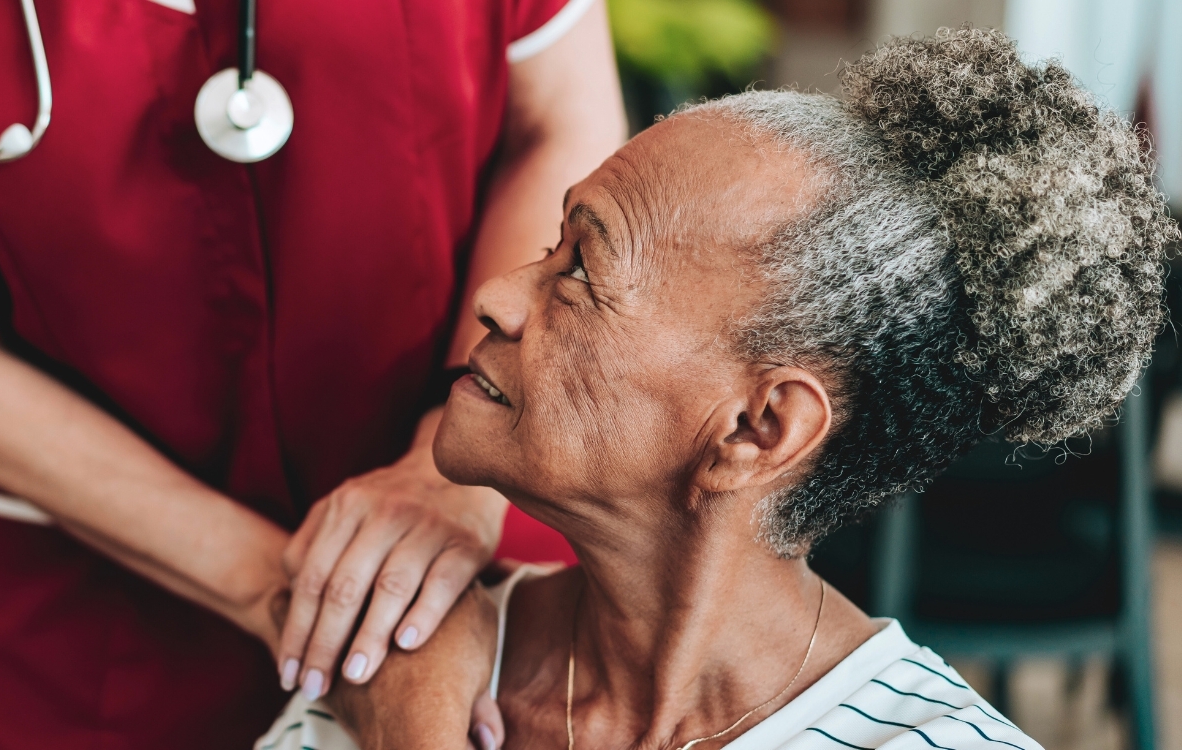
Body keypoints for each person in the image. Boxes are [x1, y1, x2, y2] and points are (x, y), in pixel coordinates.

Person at [0, 0, 627, 746]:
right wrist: (314, 606)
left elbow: (557, 131)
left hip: (468, 519)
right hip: (77, 592)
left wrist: (447, 470)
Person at [257, 28, 1178, 750]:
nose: (498, 296)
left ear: (757, 427)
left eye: (581, 272)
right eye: (551, 245)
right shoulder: (400, 665)